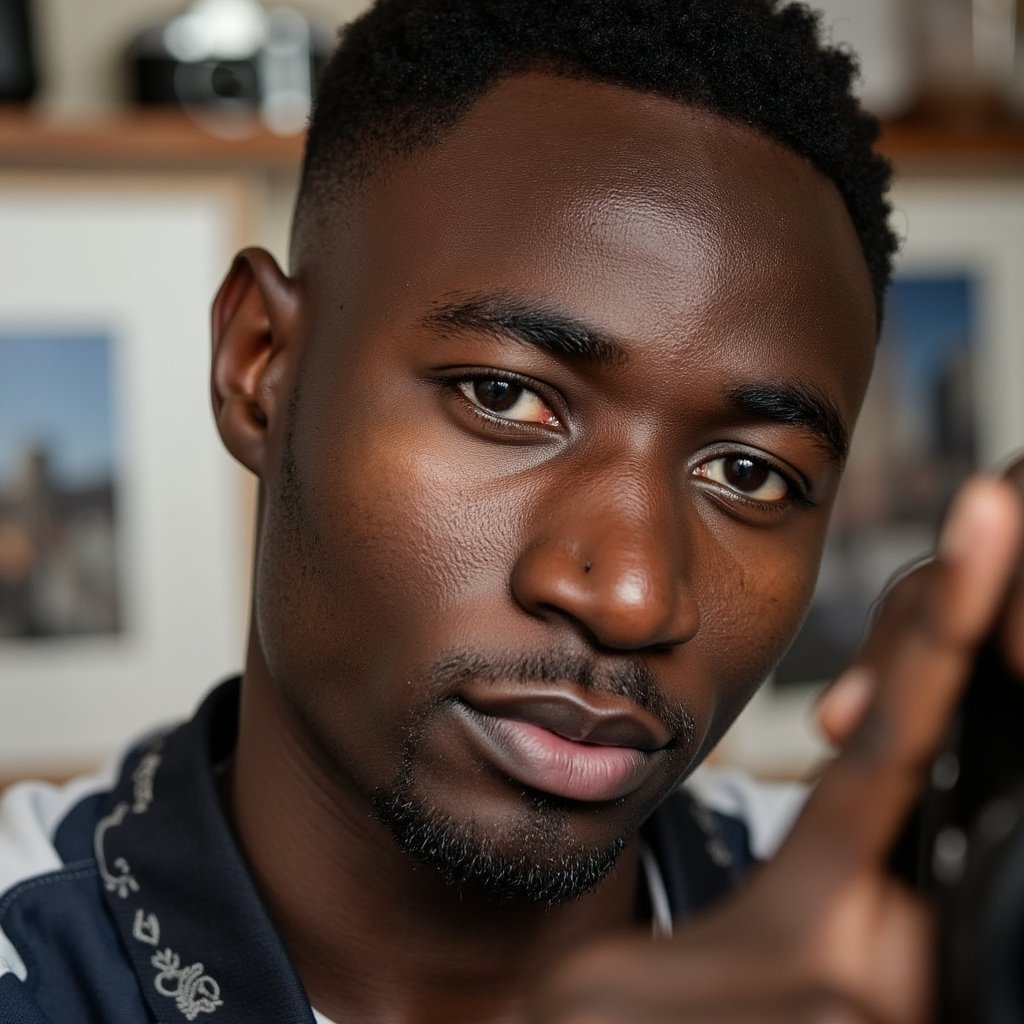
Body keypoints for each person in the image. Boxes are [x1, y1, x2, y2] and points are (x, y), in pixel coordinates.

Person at [2, 1, 1023, 1021]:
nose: (631, 594)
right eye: (506, 398)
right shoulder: (32, 958)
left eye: (748, 475)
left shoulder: (912, 944)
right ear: (261, 366)